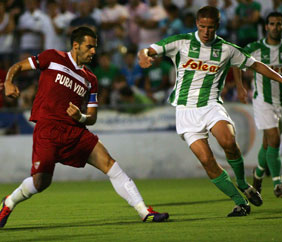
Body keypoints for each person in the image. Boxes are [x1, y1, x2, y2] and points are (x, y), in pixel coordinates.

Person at [138, 6, 282, 217]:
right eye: (202, 26)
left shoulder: (227, 49)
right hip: (185, 111)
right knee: (206, 161)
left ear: (218, 26)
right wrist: (143, 57)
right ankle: (240, 202)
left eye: (211, 27)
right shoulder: (180, 42)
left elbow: (257, 65)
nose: (206, 31)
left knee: (228, 142)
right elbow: (148, 50)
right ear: (197, 24)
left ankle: (243, 183)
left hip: (211, 105)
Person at [0, 27, 169, 228]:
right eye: (89, 47)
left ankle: (144, 211)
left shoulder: (91, 79)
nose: (93, 52)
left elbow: (92, 117)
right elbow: (17, 67)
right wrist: (9, 82)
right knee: (41, 183)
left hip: (75, 131)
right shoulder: (52, 57)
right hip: (48, 129)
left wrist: (80, 116)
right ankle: (9, 202)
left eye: (95, 47)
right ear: (76, 45)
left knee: (109, 164)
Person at [243, 12, 282, 197]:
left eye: (279, 24)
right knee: (274, 138)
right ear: (266, 27)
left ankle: (258, 174)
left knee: (268, 144)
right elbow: (236, 64)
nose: (275, 27)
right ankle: (277, 183)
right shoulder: (254, 48)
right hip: (263, 101)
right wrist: (239, 86)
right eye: (272, 24)